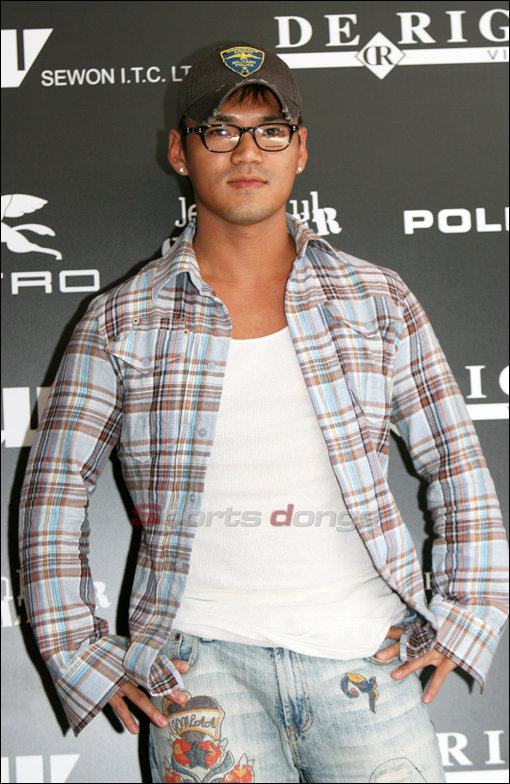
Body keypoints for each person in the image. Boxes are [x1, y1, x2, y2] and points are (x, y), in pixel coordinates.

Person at [19, 42, 508, 783]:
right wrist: (78, 652)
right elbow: (53, 492)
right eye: (220, 130)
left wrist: (468, 611)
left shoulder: (377, 300)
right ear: (180, 151)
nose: (247, 152)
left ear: (300, 149)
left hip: (366, 661)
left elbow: (456, 460)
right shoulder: (120, 321)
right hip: (198, 674)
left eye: (270, 130)